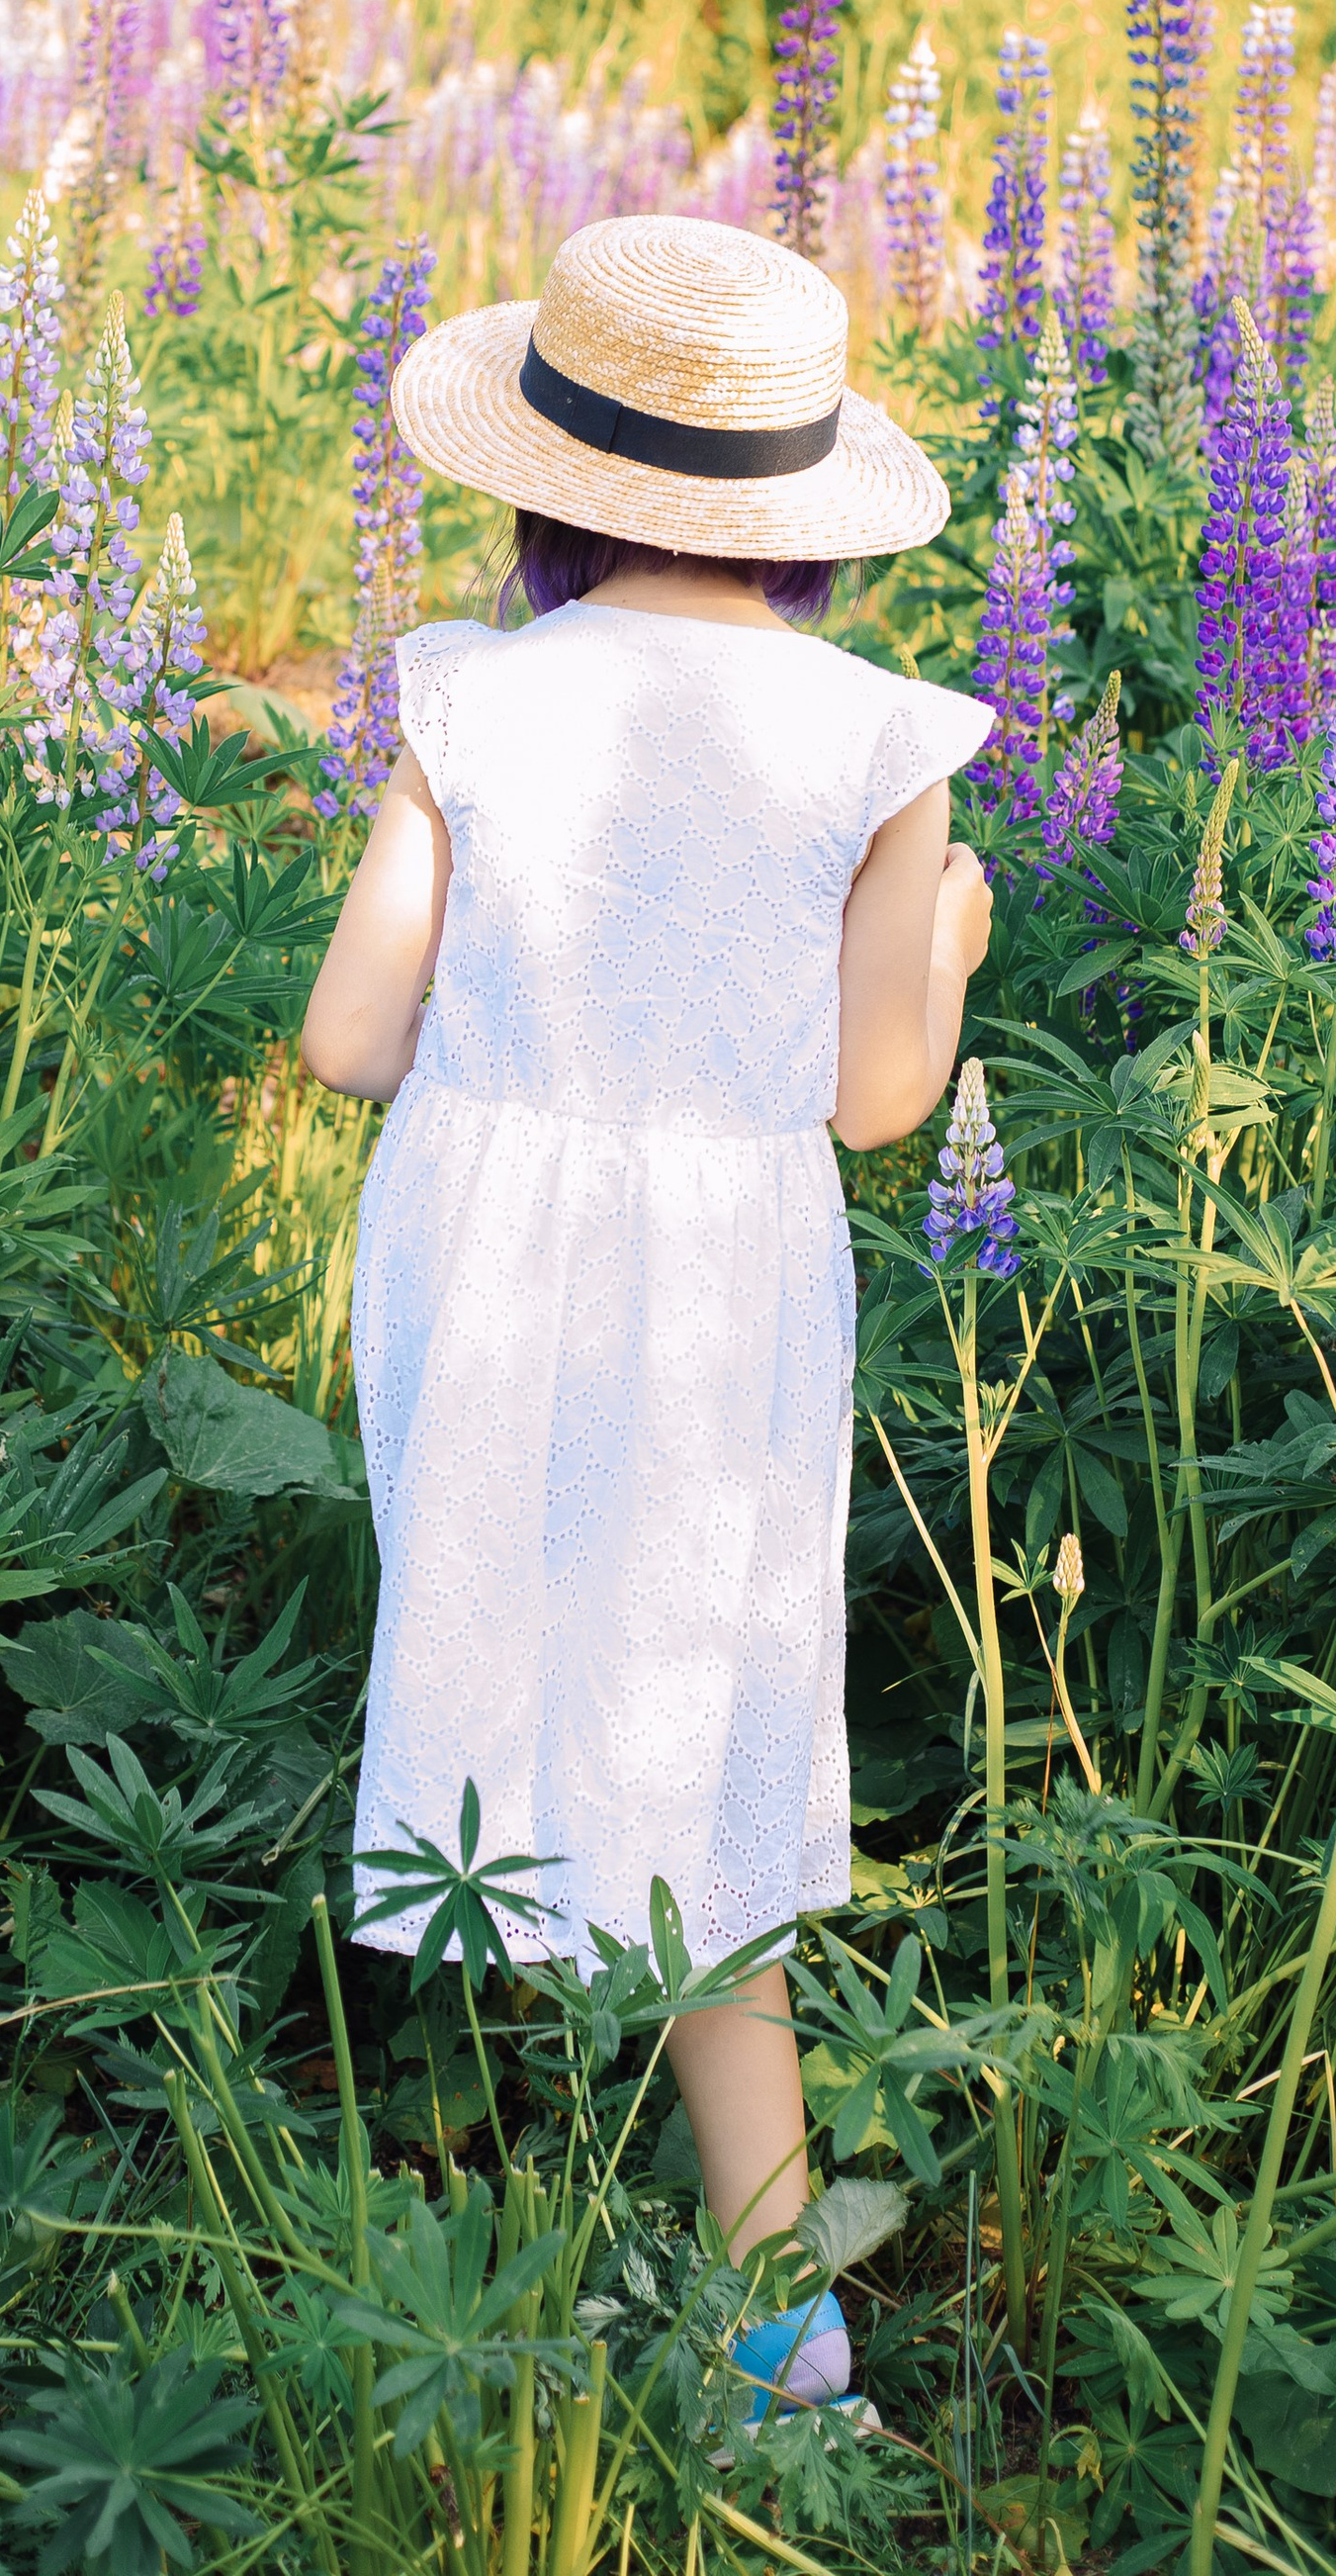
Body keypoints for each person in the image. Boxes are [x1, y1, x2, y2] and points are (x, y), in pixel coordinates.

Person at [300, 212, 993, 2419]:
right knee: (703, 1710)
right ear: (794, 520)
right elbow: (880, 1104)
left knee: (507, 1639)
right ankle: (781, 2319)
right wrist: (948, 944)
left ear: (542, 486)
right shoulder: (876, 738)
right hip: (729, 1277)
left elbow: (344, 1039)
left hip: (482, 1234)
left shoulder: (467, 696)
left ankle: (493, 2203)